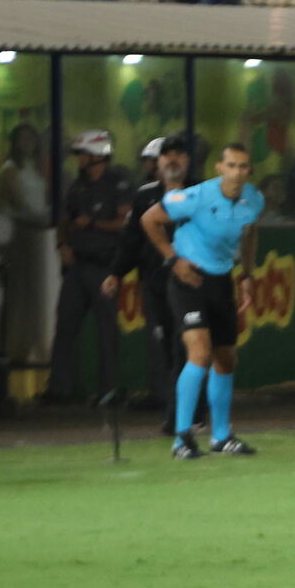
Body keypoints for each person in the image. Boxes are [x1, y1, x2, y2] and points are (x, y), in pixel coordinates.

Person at [140, 142, 264, 459]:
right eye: (232, 166)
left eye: (243, 167)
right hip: (189, 279)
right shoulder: (196, 197)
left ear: (249, 171)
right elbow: (149, 220)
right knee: (200, 353)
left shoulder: (254, 199)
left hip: (221, 280)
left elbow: (250, 234)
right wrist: (173, 260)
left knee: (225, 359)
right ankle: (182, 438)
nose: (237, 173)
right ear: (219, 169)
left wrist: (247, 274)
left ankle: (221, 436)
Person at [102, 136, 191, 433]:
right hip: (154, 283)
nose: (170, 162)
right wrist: (116, 273)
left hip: (190, 283)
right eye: (165, 157)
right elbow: (131, 240)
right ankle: (182, 410)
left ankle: (179, 415)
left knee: (187, 346)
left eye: (177, 156)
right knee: (165, 347)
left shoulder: (199, 193)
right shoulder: (144, 197)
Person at [43, 130, 132, 403]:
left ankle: (109, 391)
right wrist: (62, 245)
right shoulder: (77, 185)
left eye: (82, 154)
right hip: (77, 265)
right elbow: (64, 220)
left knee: (106, 331)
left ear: (96, 156)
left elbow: (125, 223)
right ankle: (61, 388)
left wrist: (92, 224)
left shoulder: (118, 184)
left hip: (104, 265)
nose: (79, 159)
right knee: (65, 325)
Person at [0, 123, 48, 224]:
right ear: (16, 143)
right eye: (23, 138)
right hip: (18, 225)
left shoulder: (34, 165)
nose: (28, 141)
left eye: (31, 137)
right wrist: (39, 218)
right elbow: (19, 202)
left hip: (36, 222)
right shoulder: (10, 167)